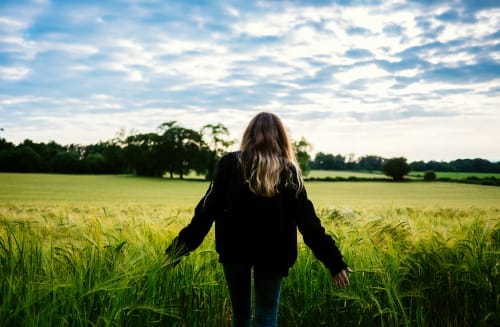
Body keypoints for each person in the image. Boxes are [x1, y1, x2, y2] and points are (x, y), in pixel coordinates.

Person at [164, 112, 352, 327]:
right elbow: (309, 223)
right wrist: (334, 262)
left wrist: (177, 250)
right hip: (274, 254)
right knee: (266, 317)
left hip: (235, 251)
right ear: (281, 137)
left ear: (249, 134)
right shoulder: (289, 171)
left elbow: (206, 212)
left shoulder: (229, 164)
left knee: (241, 316)